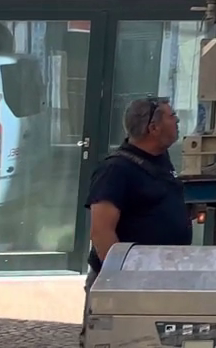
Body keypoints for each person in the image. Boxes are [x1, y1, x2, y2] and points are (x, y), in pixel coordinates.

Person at [81, 98, 192, 344]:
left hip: (159, 280)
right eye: (171, 116)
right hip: (130, 284)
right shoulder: (116, 170)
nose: (177, 120)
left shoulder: (160, 160)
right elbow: (101, 232)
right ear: (153, 128)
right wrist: (123, 285)